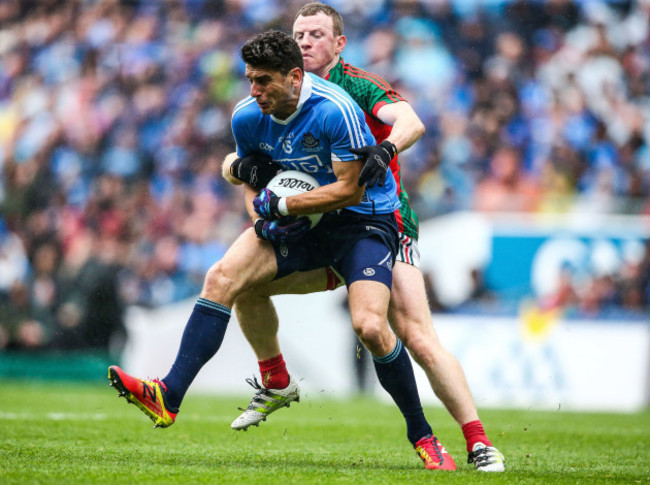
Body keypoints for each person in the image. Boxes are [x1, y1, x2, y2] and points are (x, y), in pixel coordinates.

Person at [108, 29, 454, 471]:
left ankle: (423, 435)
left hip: (363, 224)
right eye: (250, 79)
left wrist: (283, 204)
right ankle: (173, 394)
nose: (254, 91)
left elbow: (348, 191)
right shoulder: (247, 116)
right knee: (225, 279)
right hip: (303, 222)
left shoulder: (336, 109)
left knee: (369, 326)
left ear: (294, 77)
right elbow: (252, 179)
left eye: (264, 81)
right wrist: (260, 212)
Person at [222, 3, 505, 472]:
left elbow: (411, 121)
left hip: (377, 222)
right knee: (243, 284)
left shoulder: (357, 85)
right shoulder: (279, 92)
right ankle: (275, 379)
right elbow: (240, 158)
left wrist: (388, 147)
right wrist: (237, 170)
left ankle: (478, 442)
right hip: (320, 222)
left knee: (414, 331)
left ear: (340, 44)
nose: (306, 41)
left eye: (317, 34)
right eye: (299, 34)